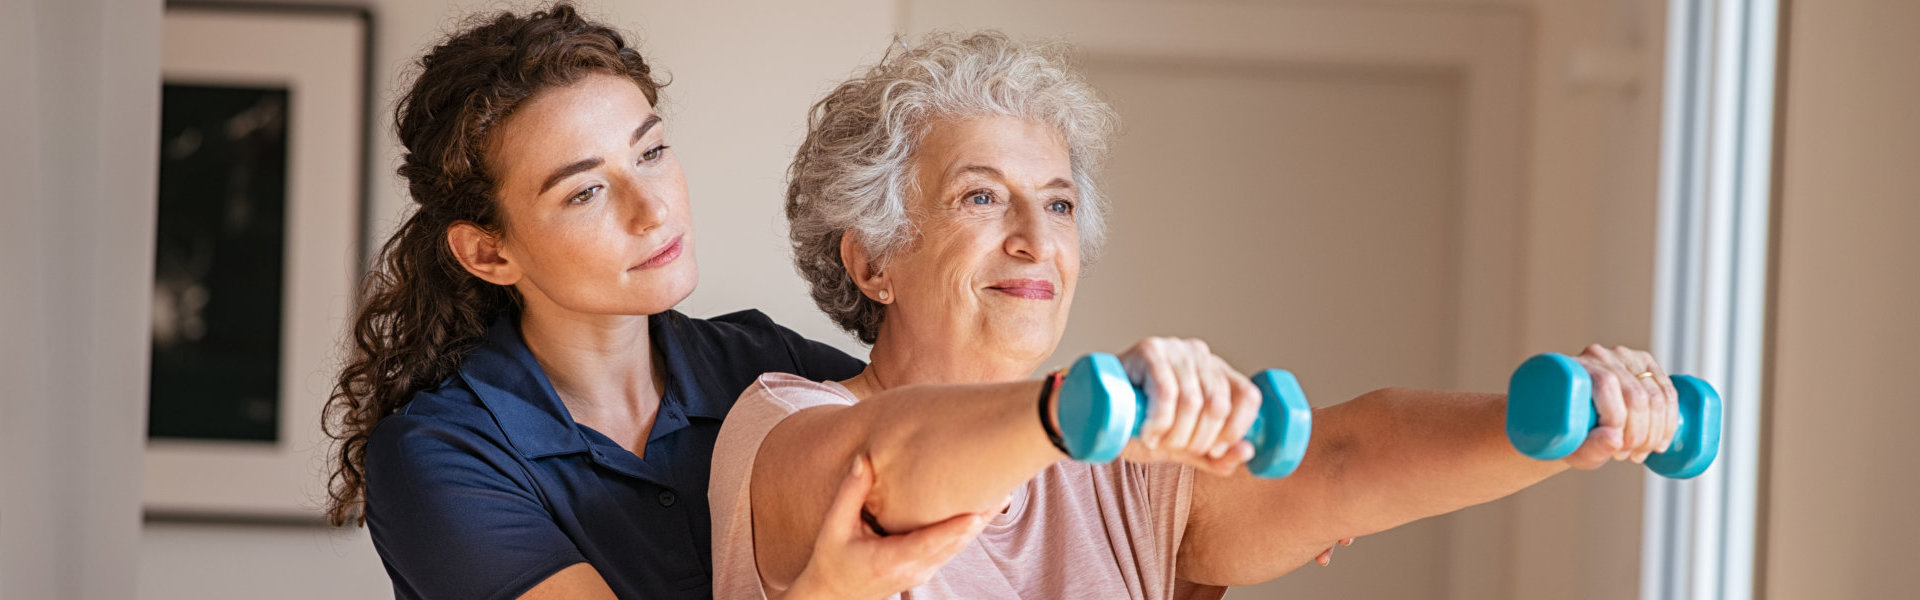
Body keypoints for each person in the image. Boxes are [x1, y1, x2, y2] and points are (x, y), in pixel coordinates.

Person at [708, 32, 1685, 598]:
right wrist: (1082, 411)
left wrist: (1570, 426)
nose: (1035, 239)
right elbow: (889, 467)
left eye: (1056, 204)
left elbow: (1345, 459)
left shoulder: (1121, 473)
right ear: (872, 258)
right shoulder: (785, 424)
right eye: (979, 197)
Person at [321, 5, 982, 599]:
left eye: (652, 151)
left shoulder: (768, 364)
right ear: (490, 254)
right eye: (585, 192)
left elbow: (944, 442)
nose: (654, 209)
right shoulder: (441, 453)